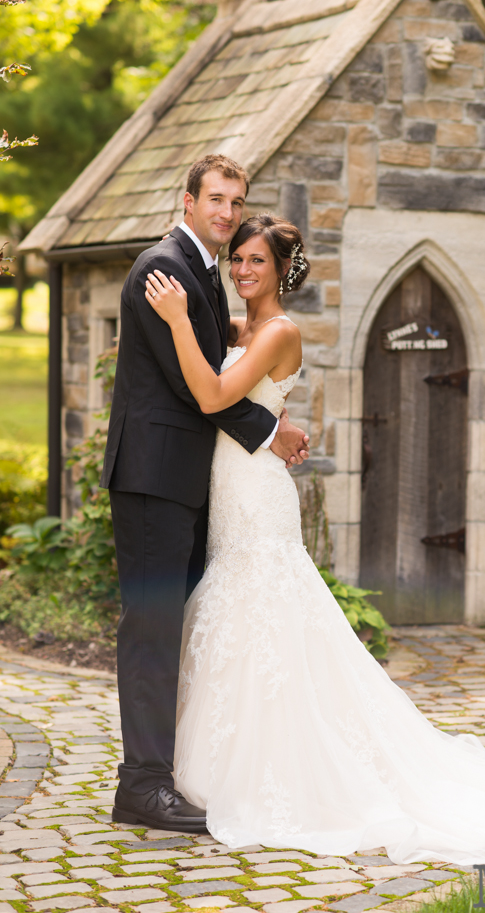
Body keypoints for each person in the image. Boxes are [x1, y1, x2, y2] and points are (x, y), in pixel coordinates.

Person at [144, 212, 485, 865]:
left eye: (254, 261)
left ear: (281, 270)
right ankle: (217, 765)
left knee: (264, 615)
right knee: (242, 619)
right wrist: (265, 411)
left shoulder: (279, 330)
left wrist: (178, 319)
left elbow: (210, 396)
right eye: (235, 259)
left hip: (258, 498)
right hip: (235, 487)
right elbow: (234, 377)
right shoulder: (248, 327)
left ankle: (286, 773)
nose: (240, 271)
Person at [102, 155, 309, 833]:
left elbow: (219, 370)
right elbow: (200, 389)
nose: (225, 211)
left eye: (235, 200)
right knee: (153, 631)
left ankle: (164, 774)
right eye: (215, 199)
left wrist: (271, 421)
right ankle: (142, 787)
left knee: (175, 629)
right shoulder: (164, 269)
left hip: (185, 482)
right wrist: (270, 429)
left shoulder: (203, 271)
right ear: (186, 199)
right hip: (154, 479)